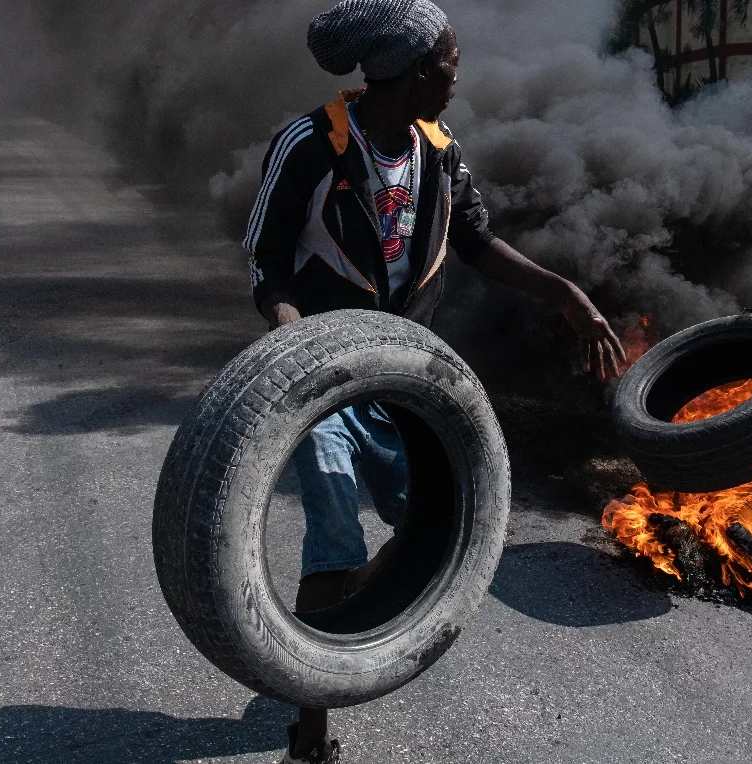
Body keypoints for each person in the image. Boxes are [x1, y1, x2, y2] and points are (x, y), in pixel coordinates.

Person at [242, 0, 625, 761]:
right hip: (321, 377)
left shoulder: (439, 151)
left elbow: (478, 241)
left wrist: (567, 296)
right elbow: (266, 262)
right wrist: (297, 347)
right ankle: (312, 734)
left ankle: (343, 620)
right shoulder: (311, 145)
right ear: (417, 71)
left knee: (438, 528)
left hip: (406, 371)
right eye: (450, 60)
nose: (457, 73)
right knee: (332, 535)